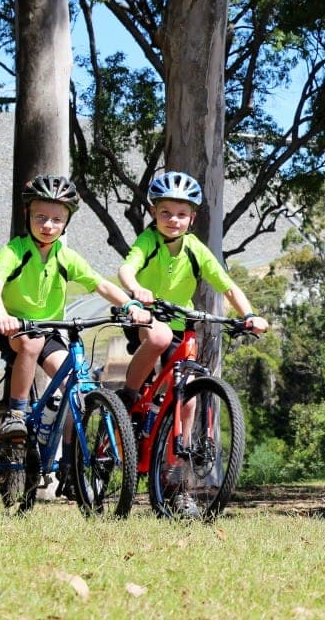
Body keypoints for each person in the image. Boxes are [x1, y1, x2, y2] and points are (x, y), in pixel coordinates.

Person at [0, 174, 149, 495]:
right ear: (27, 216)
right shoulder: (15, 251)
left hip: (49, 331)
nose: (48, 225)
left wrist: (129, 305)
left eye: (56, 219)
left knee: (79, 385)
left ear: (66, 222)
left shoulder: (65, 255)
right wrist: (2, 315)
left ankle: (72, 466)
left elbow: (99, 283)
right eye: (40, 217)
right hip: (14, 328)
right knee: (30, 343)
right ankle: (15, 415)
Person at [117, 171, 269, 515]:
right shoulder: (148, 241)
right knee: (158, 336)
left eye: (182, 214)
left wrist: (249, 315)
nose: (173, 220)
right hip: (147, 317)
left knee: (187, 393)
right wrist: (137, 291)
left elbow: (227, 285)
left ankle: (175, 481)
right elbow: (126, 270)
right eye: (166, 212)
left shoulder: (195, 249)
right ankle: (130, 395)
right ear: (154, 213)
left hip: (181, 321)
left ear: (193, 217)